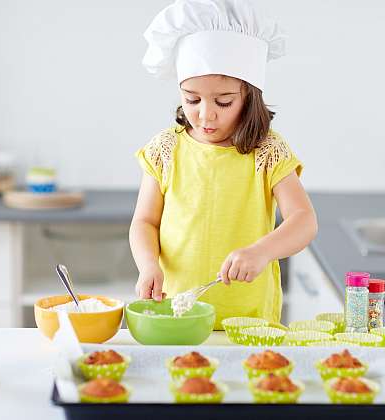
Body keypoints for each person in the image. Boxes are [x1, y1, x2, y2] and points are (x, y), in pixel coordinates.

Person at [129, 0, 318, 329]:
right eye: (191, 99)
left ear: (249, 96)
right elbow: (144, 222)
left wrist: (261, 251)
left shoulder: (267, 152)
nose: (205, 114)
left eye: (224, 101)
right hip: (177, 314)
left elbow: (304, 221)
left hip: (248, 321)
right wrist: (148, 265)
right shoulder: (165, 149)